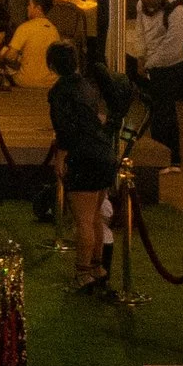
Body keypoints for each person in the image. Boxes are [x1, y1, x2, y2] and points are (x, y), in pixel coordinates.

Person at [45, 42, 119, 289]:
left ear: (52, 65)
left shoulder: (60, 92)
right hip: (103, 152)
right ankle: (97, 267)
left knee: (84, 220)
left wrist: (61, 156)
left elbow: (64, 128)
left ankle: (82, 273)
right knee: (95, 216)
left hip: (84, 155)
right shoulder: (88, 87)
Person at [127, 0, 183, 173]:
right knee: (158, 110)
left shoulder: (176, 11)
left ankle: (171, 158)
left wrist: (149, 63)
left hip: (171, 65)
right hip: (152, 64)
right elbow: (140, 31)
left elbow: (172, 46)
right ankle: (161, 155)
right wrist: (140, 56)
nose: (146, 1)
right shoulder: (142, 5)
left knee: (164, 110)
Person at [4, 0, 60, 89]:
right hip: (50, 82)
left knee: (4, 54)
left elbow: (10, 56)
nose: (27, 8)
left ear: (38, 8)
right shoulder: (54, 30)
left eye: (30, 5)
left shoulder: (25, 28)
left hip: (27, 80)